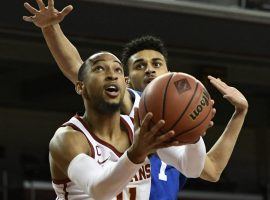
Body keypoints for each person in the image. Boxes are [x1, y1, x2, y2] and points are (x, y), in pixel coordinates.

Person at [23, 0, 249, 199]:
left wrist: (195, 129)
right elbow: (78, 68)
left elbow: (204, 169)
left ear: (171, 73)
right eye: (140, 65)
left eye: (157, 64)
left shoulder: (159, 121)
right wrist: (51, 28)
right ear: (128, 82)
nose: (150, 70)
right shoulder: (77, 134)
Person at [49, 51, 206, 200]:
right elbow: (99, 190)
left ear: (125, 84)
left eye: (118, 70)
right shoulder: (67, 139)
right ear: (80, 87)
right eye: (99, 68)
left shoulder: (141, 129)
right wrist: (136, 153)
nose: (111, 75)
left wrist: (193, 135)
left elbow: (192, 169)